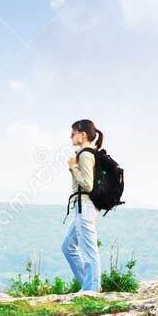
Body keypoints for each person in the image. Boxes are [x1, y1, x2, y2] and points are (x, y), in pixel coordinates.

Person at [62, 119, 103, 292]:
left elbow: (87, 185)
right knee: (67, 247)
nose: (70, 136)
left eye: (73, 132)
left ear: (83, 134)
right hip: (84, 206)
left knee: (89, 250)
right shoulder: (88, 153)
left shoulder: (85, 154)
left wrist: (73, 167)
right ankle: (88, 284)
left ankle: (91, 289)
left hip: (85, 206)